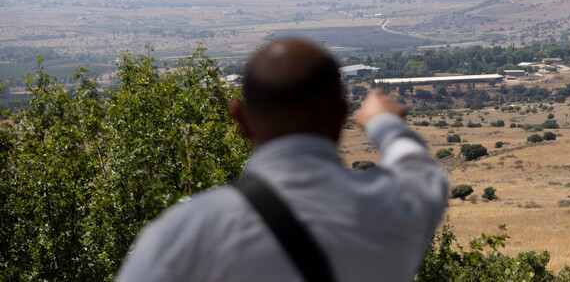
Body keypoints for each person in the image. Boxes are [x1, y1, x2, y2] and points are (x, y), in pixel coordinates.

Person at [116, 37, 448, 282]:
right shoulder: (394, 207)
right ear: (340, 117)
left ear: (240, 119)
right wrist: (384, 122)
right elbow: (419, 170)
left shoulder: (183, 234)